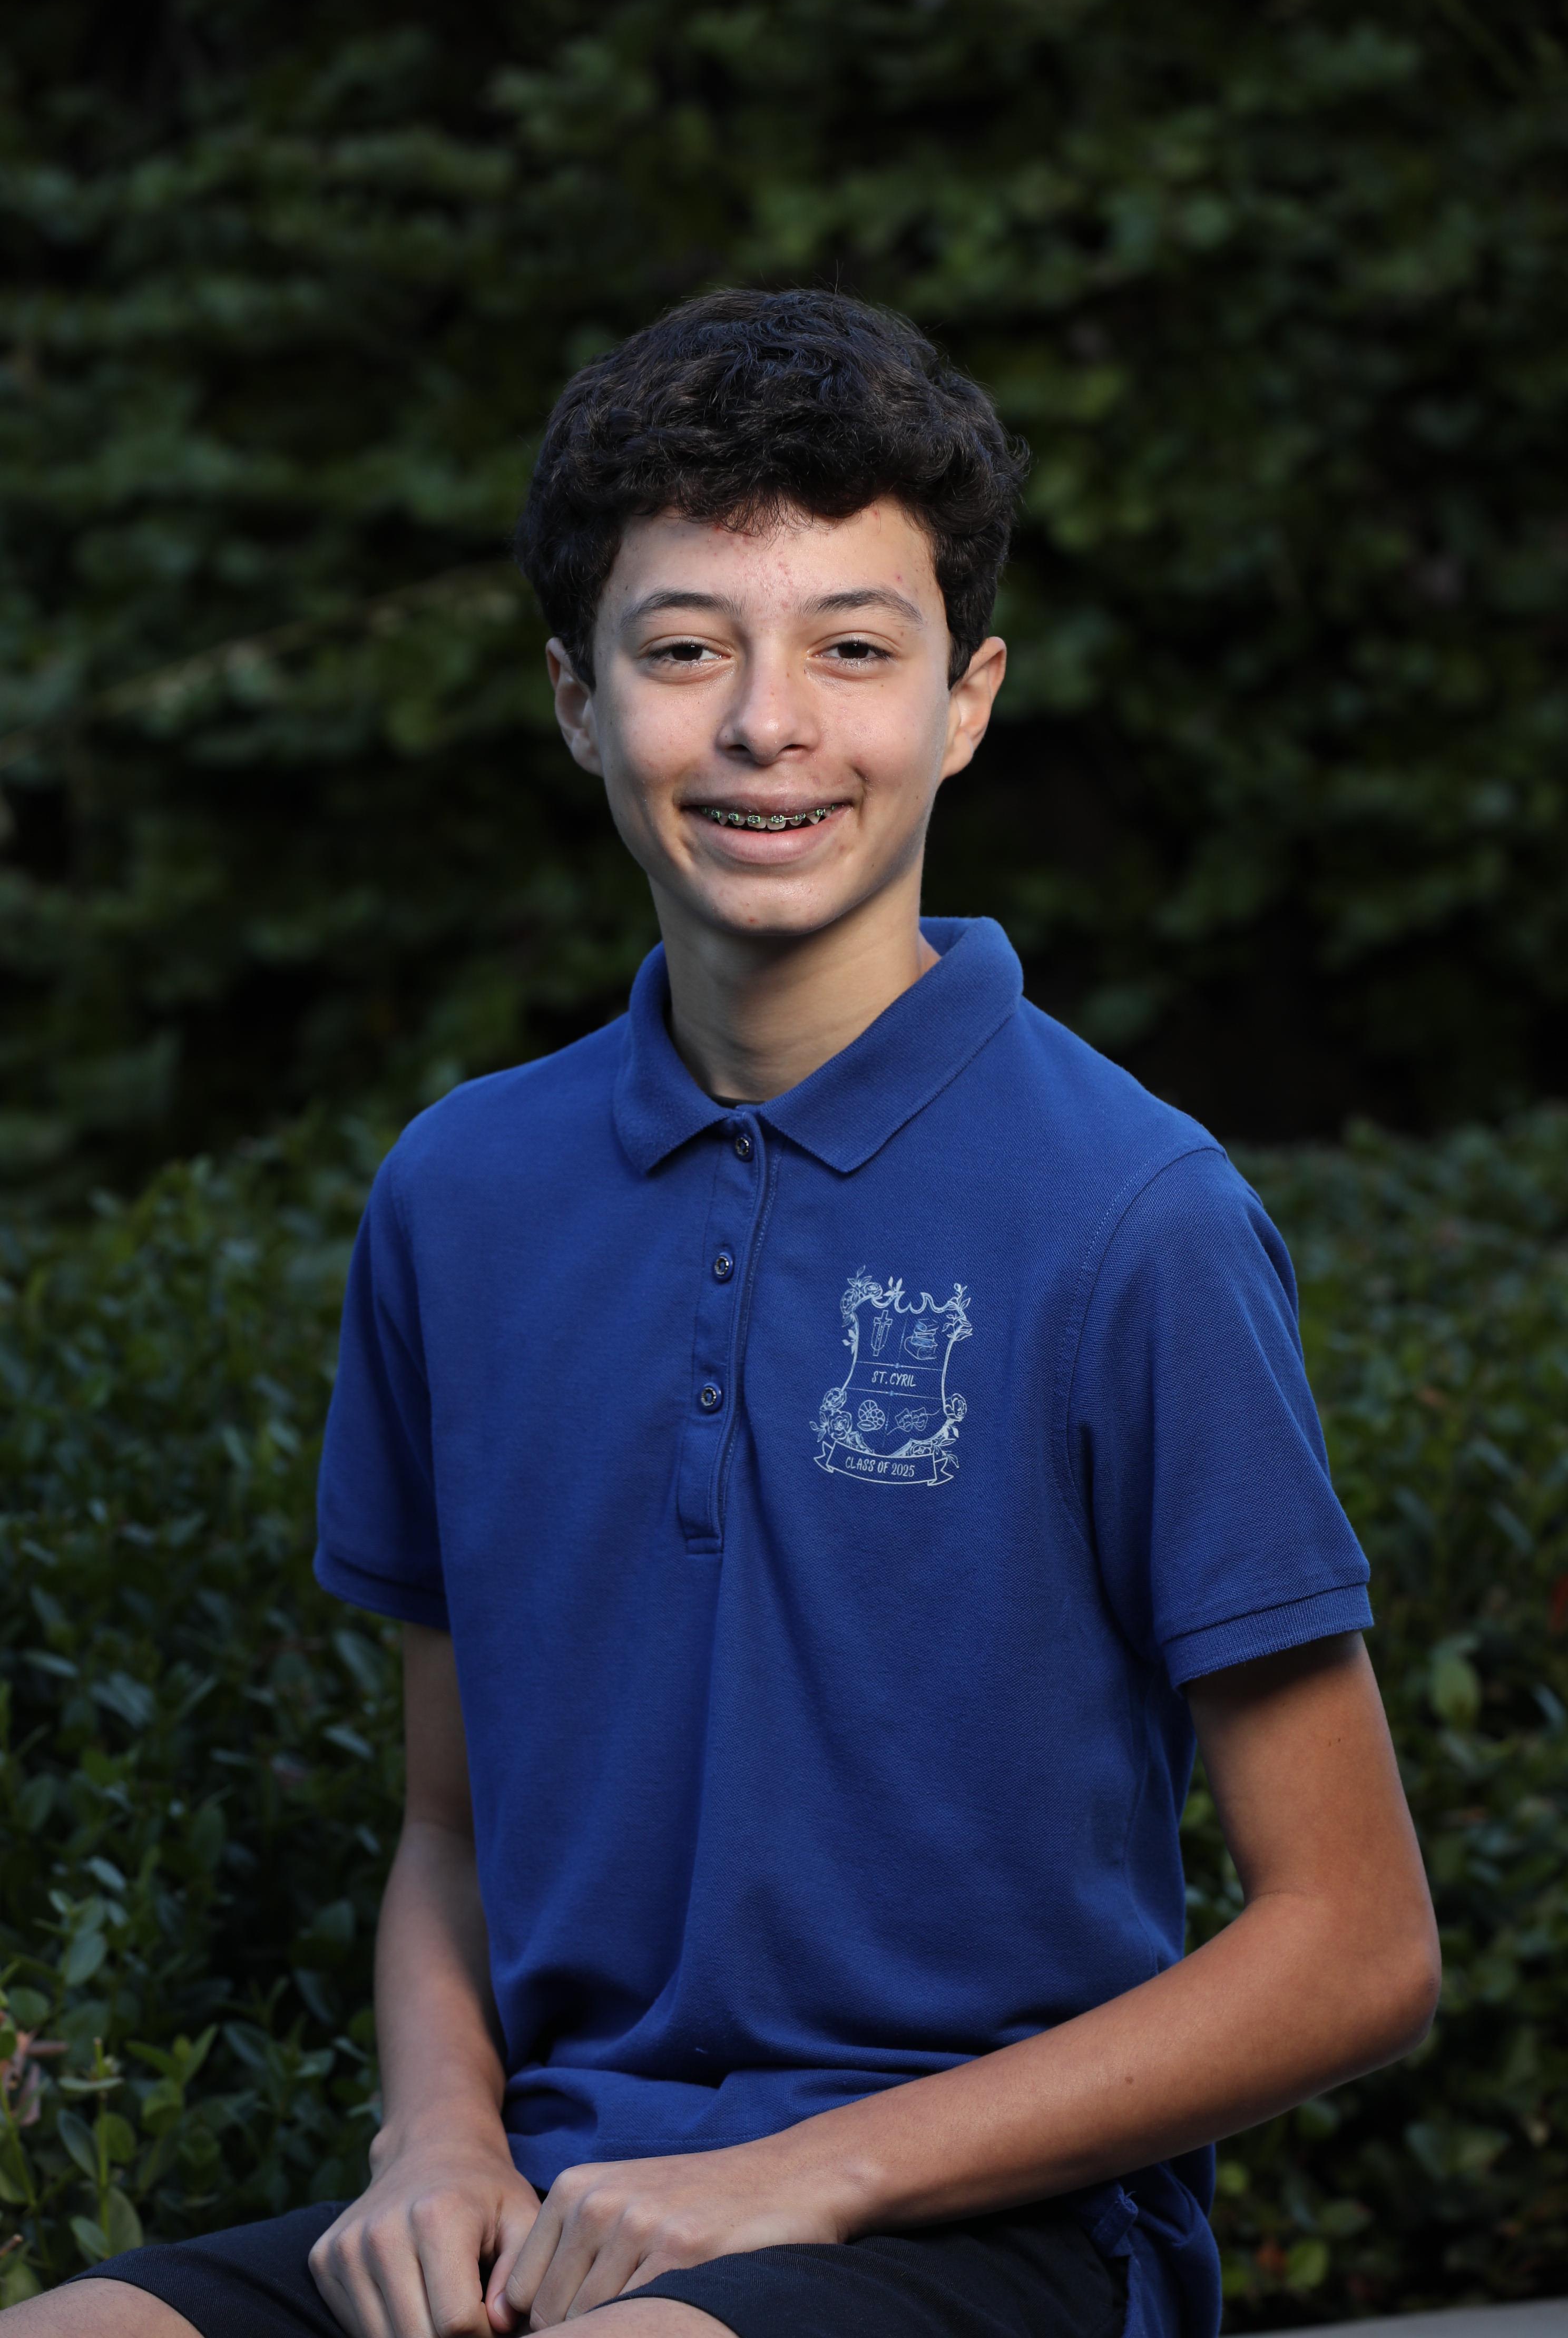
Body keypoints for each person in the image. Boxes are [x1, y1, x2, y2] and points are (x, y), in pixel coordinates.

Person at [18, 290, 1440, 2338]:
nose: (769, 722)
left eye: (855, 648)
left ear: (967, 699)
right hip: (558, 2213)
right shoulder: (458, 1200)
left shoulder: (1136, 1219)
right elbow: (451, 1828)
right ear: (579, 701)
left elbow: (1359, 1948)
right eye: (686, 648)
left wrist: (804, 2177)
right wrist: (438, 2146)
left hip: (999, 2241)